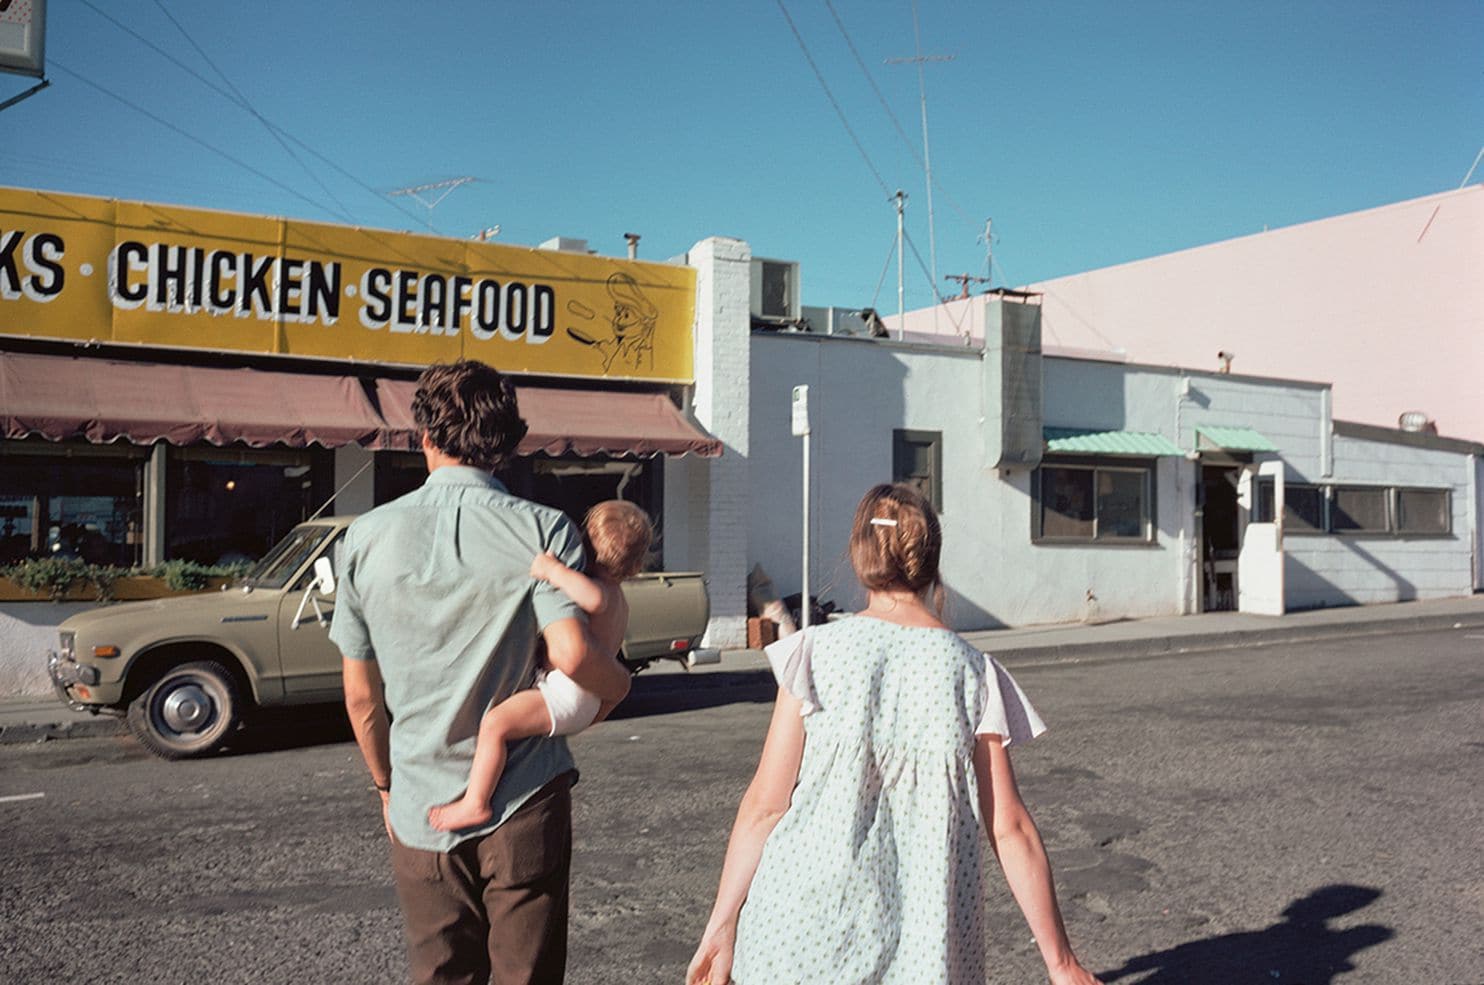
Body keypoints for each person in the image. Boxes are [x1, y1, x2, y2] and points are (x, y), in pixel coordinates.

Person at [686, 483, 1103, 985]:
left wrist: (722, 925)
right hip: (923, 945)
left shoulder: (814, 652)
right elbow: (1009, 828)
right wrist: (1061, 963)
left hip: (799, 927)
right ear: (932, 561)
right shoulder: (973, 673)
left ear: (859, 558)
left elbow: (765, 806)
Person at [330, 359, 631, 985]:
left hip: (420, 798)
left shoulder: (363, 539)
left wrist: (386, 786)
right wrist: (620, 687)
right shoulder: (542, 529)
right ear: (507, 444)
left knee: (439, 972)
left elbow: (361, 697)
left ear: (423, 436)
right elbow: (572, 654)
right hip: (524, 797)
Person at [427, 499, 653, 832]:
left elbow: (593, 600)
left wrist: (553, 571)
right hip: (583, 697)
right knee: (507, 727)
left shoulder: (601, 591)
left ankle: (475, 803)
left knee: (495, 725)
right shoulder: (620, 600)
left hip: (566, 693)